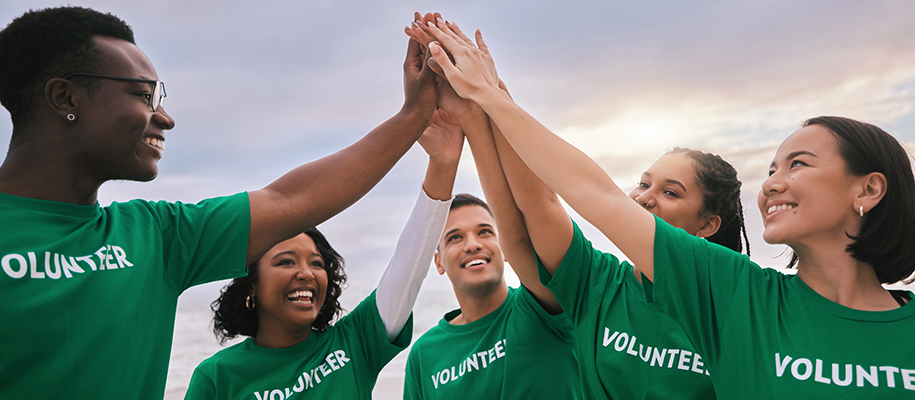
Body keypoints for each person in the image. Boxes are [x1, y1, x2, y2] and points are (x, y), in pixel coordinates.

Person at [423, 19, 915, 399]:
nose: (772, 185)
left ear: (868, 190)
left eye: (798, 165)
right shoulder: (736, 294)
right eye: (770, 170)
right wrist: (485, 98)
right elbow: (576, 200)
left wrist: (488, 100)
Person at [0, 6, 437, 399]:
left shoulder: (157, 235)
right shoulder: (217, 374)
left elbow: (290, 200)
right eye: (142, 95)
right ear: (66, 99)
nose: (165, 118)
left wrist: (415, 116)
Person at [410, 16, 750, 398]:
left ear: (707, 224)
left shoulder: (736, 298)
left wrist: (490, 95)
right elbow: (533, 210)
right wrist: (480, 105)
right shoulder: (601, 284)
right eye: (643, 183)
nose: (645, 197)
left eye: (671, 192)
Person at [184, 108, 461, 399]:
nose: (306, 274)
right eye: (286, 262)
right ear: (251, 284)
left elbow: (409, 265)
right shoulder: (217, 376)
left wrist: (443, 163)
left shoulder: (355, 341)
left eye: (317, 264)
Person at [403, 15, 581, 398]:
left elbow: (527, 210)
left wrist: (485, 98)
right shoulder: (424, 355)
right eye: (453, 238)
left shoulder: (542, 306)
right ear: (437, 260)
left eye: (485, 231)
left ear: (501, 243)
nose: (473, 244)